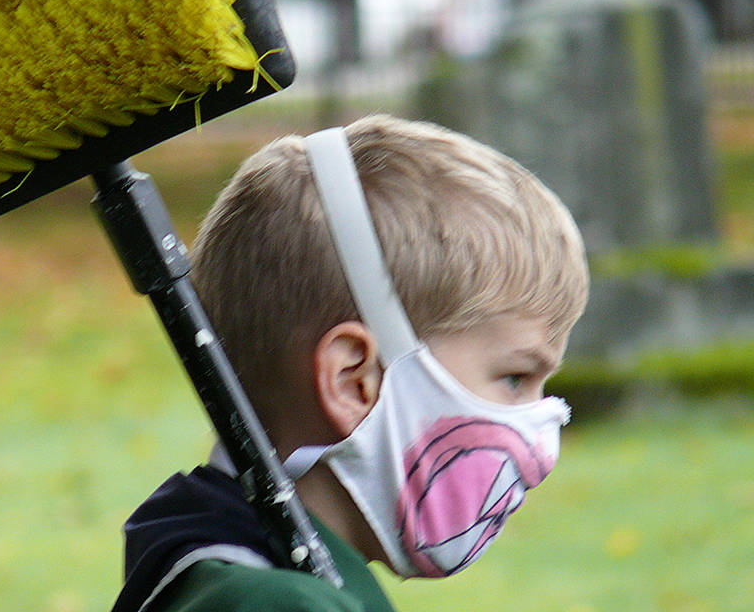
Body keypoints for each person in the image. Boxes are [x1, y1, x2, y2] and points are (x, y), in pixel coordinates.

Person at [111, 114, 589, 612]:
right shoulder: (276, 606)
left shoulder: (226, 569)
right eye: (515, 378)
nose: (542, 452)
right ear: (352, 380)